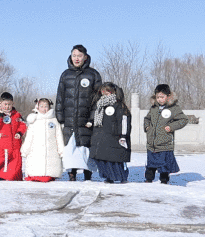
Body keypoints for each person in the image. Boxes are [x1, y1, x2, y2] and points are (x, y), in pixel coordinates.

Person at [55, 44, 102, 181]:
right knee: (70, 147)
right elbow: (60, 97)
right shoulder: (65, 74)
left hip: (86, 119)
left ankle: (88, 173)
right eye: (74, 55)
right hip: (69, 118)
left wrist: (93, 118)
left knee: (85, 147)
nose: (77, 58)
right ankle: (72, 173)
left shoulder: (93, 74)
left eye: (79, 56)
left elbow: (98, 99)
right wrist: (59, 114)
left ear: (85, 57)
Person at [143, 83, 189, 184]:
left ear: (168, 96)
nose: (159, 99)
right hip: (152, 142)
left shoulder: (174, 108)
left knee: (164, 164)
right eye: (158, 97)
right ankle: (148, 179)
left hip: (165, 142)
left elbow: (183, 120)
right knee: (150, 163)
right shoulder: (154, 108)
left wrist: (171, 127)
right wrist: (147, 127)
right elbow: (147, 118)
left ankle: (164, 180)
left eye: (162, 97)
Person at [88, 82, 132, 183]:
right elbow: (94, 117)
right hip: (100, 137)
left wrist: (123, 136)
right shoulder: (99, 105)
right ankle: (108, 176)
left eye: (108, 91)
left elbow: (124, 121)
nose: (105, 93)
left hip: (114, 137)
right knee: (102, 159)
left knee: (114, 160)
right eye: (103, 91)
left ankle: (120, 177)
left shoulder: (119, 106)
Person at [0, 92, 28, 181]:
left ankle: (13, 175)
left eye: (9, 104)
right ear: (0, 104)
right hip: (3, 145)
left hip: (15, 145)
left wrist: (19, 133)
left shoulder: (17, 114)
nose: (7, 107)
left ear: (13, 104)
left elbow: (22, 125)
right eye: (5, 104)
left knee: (15, 164)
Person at [21, 98, 65, 182]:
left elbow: (59, 136)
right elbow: (29, 137)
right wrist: (25, 150)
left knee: (49, 174)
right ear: (37, 107)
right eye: (42, 106)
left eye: (46, 106)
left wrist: (61, 151)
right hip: (36, 150)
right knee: (36, 169)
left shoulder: (54, 121)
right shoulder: (34, 121)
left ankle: (50, 174)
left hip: (51, 150)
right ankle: (35, 174)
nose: (44, 109)